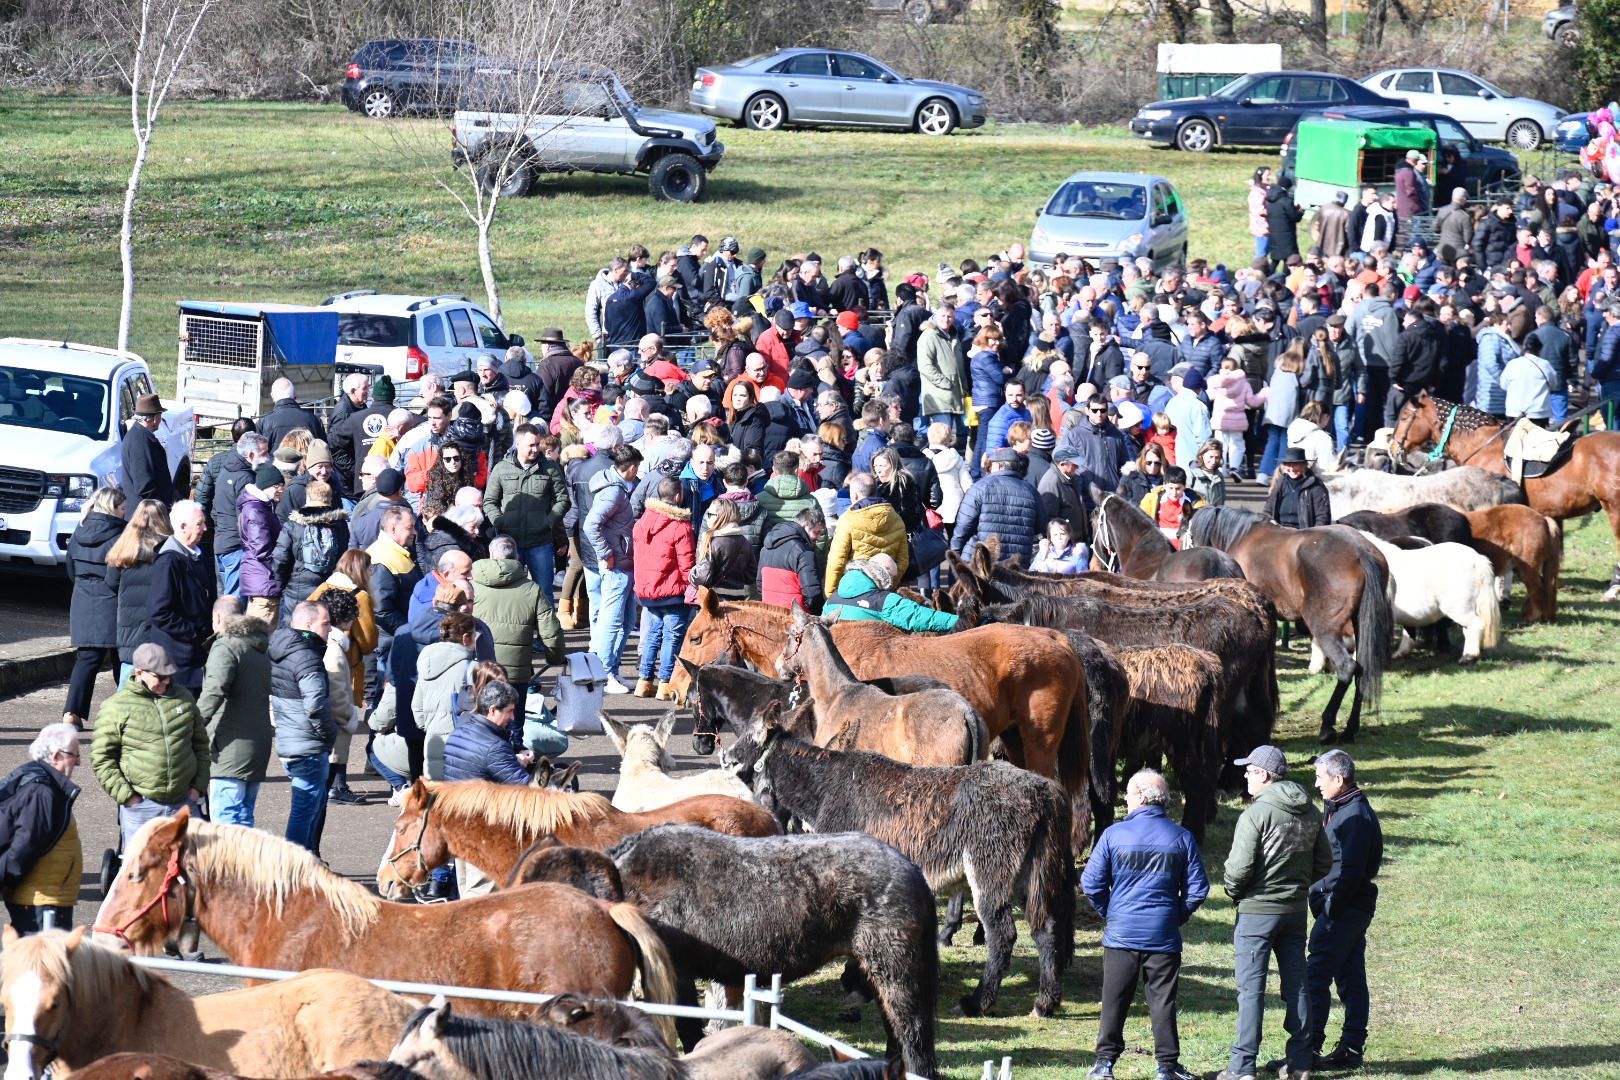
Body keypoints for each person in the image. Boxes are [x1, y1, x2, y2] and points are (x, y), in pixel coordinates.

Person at [1082, 768, 1209, 1080]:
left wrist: (1111, 913)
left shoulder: (1113, 835)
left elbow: (1091, 883)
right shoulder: (1182, 837)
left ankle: (1104, 1064)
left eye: (1128, 793)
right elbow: (1198, 889)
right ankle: (1167, 1066)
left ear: (1139, 797)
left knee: (1113, 1001)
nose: (1125, 798)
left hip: (1121, 934)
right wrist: (1176, 915)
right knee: (1163, 1003)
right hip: (1163, 937)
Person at [1219, 745, 1333, 1080]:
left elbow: (1238, 870)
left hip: (1257, 914)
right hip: (1295, 912)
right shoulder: (1310, 811)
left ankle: (1242, 1068)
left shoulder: (1256, 814)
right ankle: (1300, 1063)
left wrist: (1236, 892)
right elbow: (1324, 862)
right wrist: (1297, 885)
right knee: (1297, 985)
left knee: (1251, 989)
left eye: (1250, 770)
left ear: (1265, 775)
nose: (1245, 775)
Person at [91, 643, 207, 853]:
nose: (167, 682)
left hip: (183, 802)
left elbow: (201, 745)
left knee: (193, 870)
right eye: (160, 677)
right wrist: (128, 797)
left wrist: (196, 788)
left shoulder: (184, 698)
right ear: (139, 673)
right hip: (141, 807)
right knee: (141, 875)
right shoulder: (116, 707)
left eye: (169, 676)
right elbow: (102, 758)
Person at [442, 679, 532, 896]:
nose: (512, 717)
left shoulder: (460, 731)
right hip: (484, 832)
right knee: (483, 896)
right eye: (509, 711)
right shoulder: (494, 747)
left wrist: (512, 758)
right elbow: (527, 789)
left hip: (457, 824)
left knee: (466, 891)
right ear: (492, 710)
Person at [0, 723, 84, 934]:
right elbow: (25, 846)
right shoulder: (42, 793)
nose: (79, 761)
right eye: (75, 755)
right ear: (56, 756)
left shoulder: (44, 785)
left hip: (45, 898)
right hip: (40, 903)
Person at [196, 596, 272, 827]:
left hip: (229, 746)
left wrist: (192, 724)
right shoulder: (258, 645)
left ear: (217, 617)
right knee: (244, 819)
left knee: (225, 821)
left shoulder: (226, 645)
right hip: (257, 744)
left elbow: (214, 690)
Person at [472, 536, 564, 721]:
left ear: (491, 554)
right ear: (517, 557)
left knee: (482, 721)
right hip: (517, 673)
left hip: (480, 670)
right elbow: (550, 631)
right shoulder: (531, 589)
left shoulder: (472, 585)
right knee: (514, 723)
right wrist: (555, 657)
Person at [270, 599, 334, 852]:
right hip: (308, 746)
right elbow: (316, 705)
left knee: (305, 809)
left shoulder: (281, 649)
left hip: (289, 740)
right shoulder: (307, 657)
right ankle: (295, 869)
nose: (330, 629)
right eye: (326, 623)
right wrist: (329, 735)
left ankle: (304, 866)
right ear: (308, 624)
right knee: (305, 810)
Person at [63, 486, 128, 729]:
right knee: (123, 658)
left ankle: (71, 713)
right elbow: (114, 577)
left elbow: (70, 567)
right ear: (113, 508)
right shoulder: (121, 534)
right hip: (111, 603)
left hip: (83, 599)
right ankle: (126, 711)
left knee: (87, 659)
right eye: (123, 508)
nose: (125, 512)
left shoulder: (79, 529)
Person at [485, 423, 570, 606]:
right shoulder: (501, 468)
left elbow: (563, 500)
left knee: (544, 593)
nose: (535, 449)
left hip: (540, 543)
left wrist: (548, 522)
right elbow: (489, 501)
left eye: (537, 444)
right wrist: (500, 522)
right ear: (517, 443)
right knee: (508, 593)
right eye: (530, 445)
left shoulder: (550, 468)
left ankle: (545, 634)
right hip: (510, 542)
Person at [583, 444, 642, 694]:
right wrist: (606, 553)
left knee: (627, 620)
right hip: (616, 565)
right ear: (629, 468)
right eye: (637, 467)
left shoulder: (617, 488)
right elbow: (590, 525)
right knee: (611, 621)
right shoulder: (613, 493)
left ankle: (613, 671)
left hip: (623, 563)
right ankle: (605, 673)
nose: (638, 472)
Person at [633, 478, 698, 698]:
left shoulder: (643, 521)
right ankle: (665, 683)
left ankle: (644, 681)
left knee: (652, 634)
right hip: (673, 591)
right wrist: (694, 586)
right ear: (679, 496)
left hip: (648, 591)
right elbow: (687, 564)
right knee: (672, 636)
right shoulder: (681, 526)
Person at [147, 500, 217, 697]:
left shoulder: (198, 556)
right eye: (200, 523)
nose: (205, 528)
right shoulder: (169, 561)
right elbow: (160, 612)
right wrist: (193, 632)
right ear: (182, 526)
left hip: (196, 654)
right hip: (179, 657)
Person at [950, 446, 1044, 564]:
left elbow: (963, 525)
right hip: (1017, 565)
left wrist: (955, 553)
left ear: (998, 465)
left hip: (982, 562)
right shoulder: (1031, 491)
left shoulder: (980, 487)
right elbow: (1042, 526)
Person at [273, 480, 349, 622]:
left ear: (307, 498)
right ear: (330, 498)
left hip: (296, 591)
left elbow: (280, 559)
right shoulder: (340, 525)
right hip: (328, 589)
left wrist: (280, 585)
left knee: (296, 630)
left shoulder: (293, 525)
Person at [824, 554, 957, 631]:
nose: (893, 583)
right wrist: (959, 621)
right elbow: (919, 617)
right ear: (884, 575)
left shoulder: (831, 599)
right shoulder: (882, 600)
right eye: (892, 578)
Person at [825, 471, 909, 594]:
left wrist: (831, 594)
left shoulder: (848, 520)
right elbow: (903, 560)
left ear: (854, 495)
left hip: (854, 589)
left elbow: (836, 561)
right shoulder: (896, 518)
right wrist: (888, 585)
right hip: (885, 591)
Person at [208, 430, 270, 596]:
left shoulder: (226, 471)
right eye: (264, 453)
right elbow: (248, 518)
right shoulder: (245, 479)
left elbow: (215, 510)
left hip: (222, 543)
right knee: (235, 606)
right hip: (236, 548)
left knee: (225, 602)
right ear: (250, 455)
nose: (267, 457)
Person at [237, 462, 285, 625]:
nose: (281, 489)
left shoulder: (262, 507)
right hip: (264, 579)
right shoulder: (256, 510)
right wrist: (284, 560)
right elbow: (262, 549)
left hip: (261, 578)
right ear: (268, 486)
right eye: (278, 485)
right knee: (261, 636)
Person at [758, 505, 827, 614]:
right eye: (816, 532)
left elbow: (760, 585)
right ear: (805, 526)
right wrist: (817, 614)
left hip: (770, 612)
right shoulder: (804, 552)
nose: (818, 538)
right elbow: (812, 594)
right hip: (796, 616)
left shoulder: (766, 548)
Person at [118, 393, 177, 506]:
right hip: (145, 515)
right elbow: (144, 485)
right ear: (154, 418)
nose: (160, 419)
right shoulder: (140, 441)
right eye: (160, 415)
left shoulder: (138, 436)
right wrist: (161, 507)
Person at [1264, 448, 1332, 528]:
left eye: (1295, 465)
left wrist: (1313, 535)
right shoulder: (1281, 482)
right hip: (1280, 530)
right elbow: (1268, 509)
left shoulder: (1316, 486)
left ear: (1304, 465)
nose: (1292, 469)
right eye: (1288, 465)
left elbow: (1323, 517)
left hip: (1303, 532)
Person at [256, 377, 326, 453]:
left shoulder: (263, 422)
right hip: (305, 464)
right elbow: (323, 450)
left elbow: (258, 454)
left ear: (272, 396)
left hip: (275, 464)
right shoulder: (313, 420)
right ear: (294, 395)